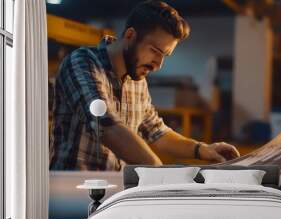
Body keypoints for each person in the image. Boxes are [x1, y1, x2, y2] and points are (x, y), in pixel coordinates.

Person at [49, 0, 240, 170]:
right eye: (155, 51)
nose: (158, 64)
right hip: (72, 193)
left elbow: (158, 133)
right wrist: (158, 173)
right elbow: (105, 125)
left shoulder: (137, 82)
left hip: (114, 193)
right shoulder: (82, 63)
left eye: (164, 55)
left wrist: (202, 150)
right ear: (130, 35)